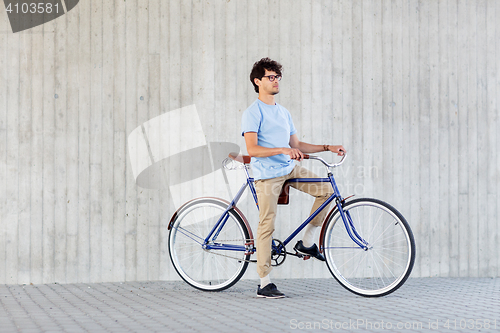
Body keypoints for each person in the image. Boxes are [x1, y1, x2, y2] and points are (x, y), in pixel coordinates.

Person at [241, 58, 346, 298]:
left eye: (277, 77)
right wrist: (283, 150)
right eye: (270, 77)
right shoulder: (252, 113)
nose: (275, 80)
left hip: (289, 169)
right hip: (267, 174)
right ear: (257, 82)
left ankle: (306, 242)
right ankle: (264, 282)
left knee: (326, 191)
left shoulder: (283, 112)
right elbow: (253, 149)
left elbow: (297, 144)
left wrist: (328, 146)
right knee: (267, 223)